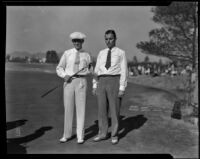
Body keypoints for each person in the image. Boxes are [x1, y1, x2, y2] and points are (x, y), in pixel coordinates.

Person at [92, 30, 128, 144]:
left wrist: (122, 88)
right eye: (106, 39)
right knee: (102, 110)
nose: (108, 41)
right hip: (102, 81)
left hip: (114, 81)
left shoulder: (121, 52)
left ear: (115, 39)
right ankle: (102, 133)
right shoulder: (101, 53)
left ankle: (114, 134)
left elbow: (124, 71)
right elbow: (96, 70)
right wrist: (94, 84)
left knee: (114, 109)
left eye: (111, 38)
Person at [56, 32, 92, 144]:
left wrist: (88, 70)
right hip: (69, 82)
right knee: (68, 109)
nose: (76, 43)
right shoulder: (67, 53)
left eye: (79, 41)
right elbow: (59, 68)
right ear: (72, 42)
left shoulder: (87, 54)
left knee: (81, 109)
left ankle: (80, 136)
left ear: (82, 42)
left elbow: (90, 69)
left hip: (81, 82)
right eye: (74, 41)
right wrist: (64, 75)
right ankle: (66, 134)